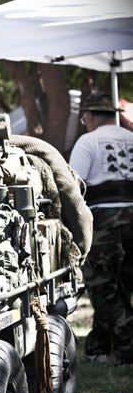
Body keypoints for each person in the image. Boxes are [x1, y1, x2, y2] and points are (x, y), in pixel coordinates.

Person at [69, 92, 133, 365]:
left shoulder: (88, 141)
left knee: (102, 286)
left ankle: (127, 348)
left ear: (89, 116)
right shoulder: (131, 137)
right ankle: (98, 347)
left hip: (105, 221)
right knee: (123, 284)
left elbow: (73, 186)